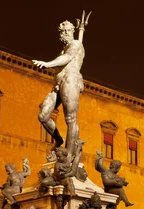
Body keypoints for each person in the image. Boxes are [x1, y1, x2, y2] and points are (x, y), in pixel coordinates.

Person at [33, 20, 85, 154]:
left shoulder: (75, 44)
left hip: (70, 80)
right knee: (43, 116)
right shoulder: (63, 50)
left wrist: (47, 64)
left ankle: (69, 153)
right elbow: (65, 56)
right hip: (57, 85)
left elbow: (68, 58)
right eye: (63, 31)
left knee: (70, 119)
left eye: (68, 31)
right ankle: (59, 140)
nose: (65, 34)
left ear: (72, 32)